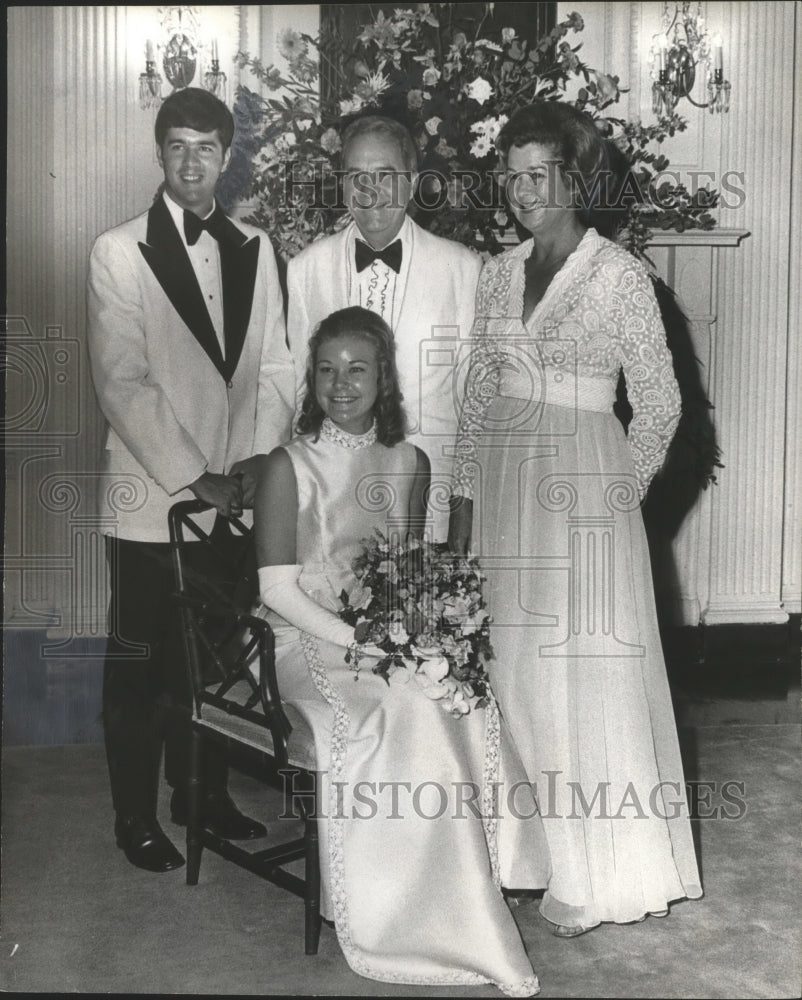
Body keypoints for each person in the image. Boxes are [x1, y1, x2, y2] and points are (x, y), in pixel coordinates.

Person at [449, 103, 703, 936]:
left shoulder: (620, 276)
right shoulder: (496, 271)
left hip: (581, 495)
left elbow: (661, 408)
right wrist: (458, 501)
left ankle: (596, 872)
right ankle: (525, 855)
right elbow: (478, 394)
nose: (522, 191)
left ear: (573, 178)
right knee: (511, 675)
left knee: (574, 679)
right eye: (511, 174)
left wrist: (611, 503)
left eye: (539, 174)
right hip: (502, 489)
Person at [254, 306, 549, 996]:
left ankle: (462, 889)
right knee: (405, 711)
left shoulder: (409, 460)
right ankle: (400, 911)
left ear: (384, 376)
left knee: (461, 696)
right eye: (326, 370)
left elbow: (409, 567)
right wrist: (367, 642)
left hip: (382, 638)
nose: (341, 384)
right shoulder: (287, 465)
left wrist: (427, 634)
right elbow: (277, 591)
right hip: (308, 640)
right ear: (311, 380)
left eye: (358, 368)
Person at [87, 88, 295, 872]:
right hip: (153, 496)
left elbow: (277, 366)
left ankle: (201, 796)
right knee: (142, 663)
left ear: (227, 156)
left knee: (212, 663)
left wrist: (251, 464)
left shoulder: (255, 245)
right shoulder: (118, 251)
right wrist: (196, 476)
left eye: (206, 147)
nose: (192, 162)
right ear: (159, 153)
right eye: (177, 146)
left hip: (233, 496)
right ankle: (134, 816)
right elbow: (124, 382)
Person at [286, 115, 482, 542]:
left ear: (412, 182)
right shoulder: (306, 271)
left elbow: (474, 401)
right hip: (330, 501)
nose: (369, 192)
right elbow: (302, 393)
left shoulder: (463, 269)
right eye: (356, 176)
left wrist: (464, 503)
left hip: (430, 496)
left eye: (385, 176)